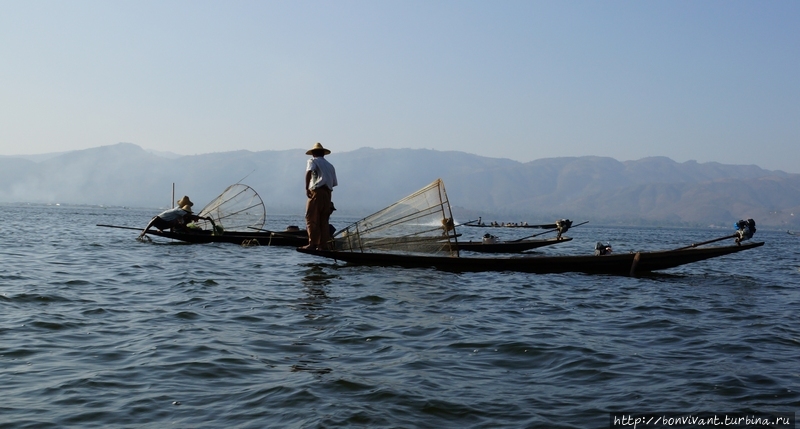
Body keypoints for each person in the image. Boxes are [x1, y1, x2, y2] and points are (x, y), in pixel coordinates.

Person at [302, 142, 338, 250]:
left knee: (311, 217)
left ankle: (312, 244)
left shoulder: (312, 161)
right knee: (324, 219)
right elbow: (333, 183)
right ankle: (323, 245)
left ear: (313, 154)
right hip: (328, 194)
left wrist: (307, 187)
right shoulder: (330, 166)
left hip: (317, 191)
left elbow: (309, 172)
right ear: (323, 154)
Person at [138, 196, 209, 239]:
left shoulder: (179, 212)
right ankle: (162, 229)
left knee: (177, 222)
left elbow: (183, 224)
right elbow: (155, 219)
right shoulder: (179, 210)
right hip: (159, 222)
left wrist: (190, 233)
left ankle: (167, 230)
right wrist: (145, 230)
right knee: (175, 221)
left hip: (164, 224)